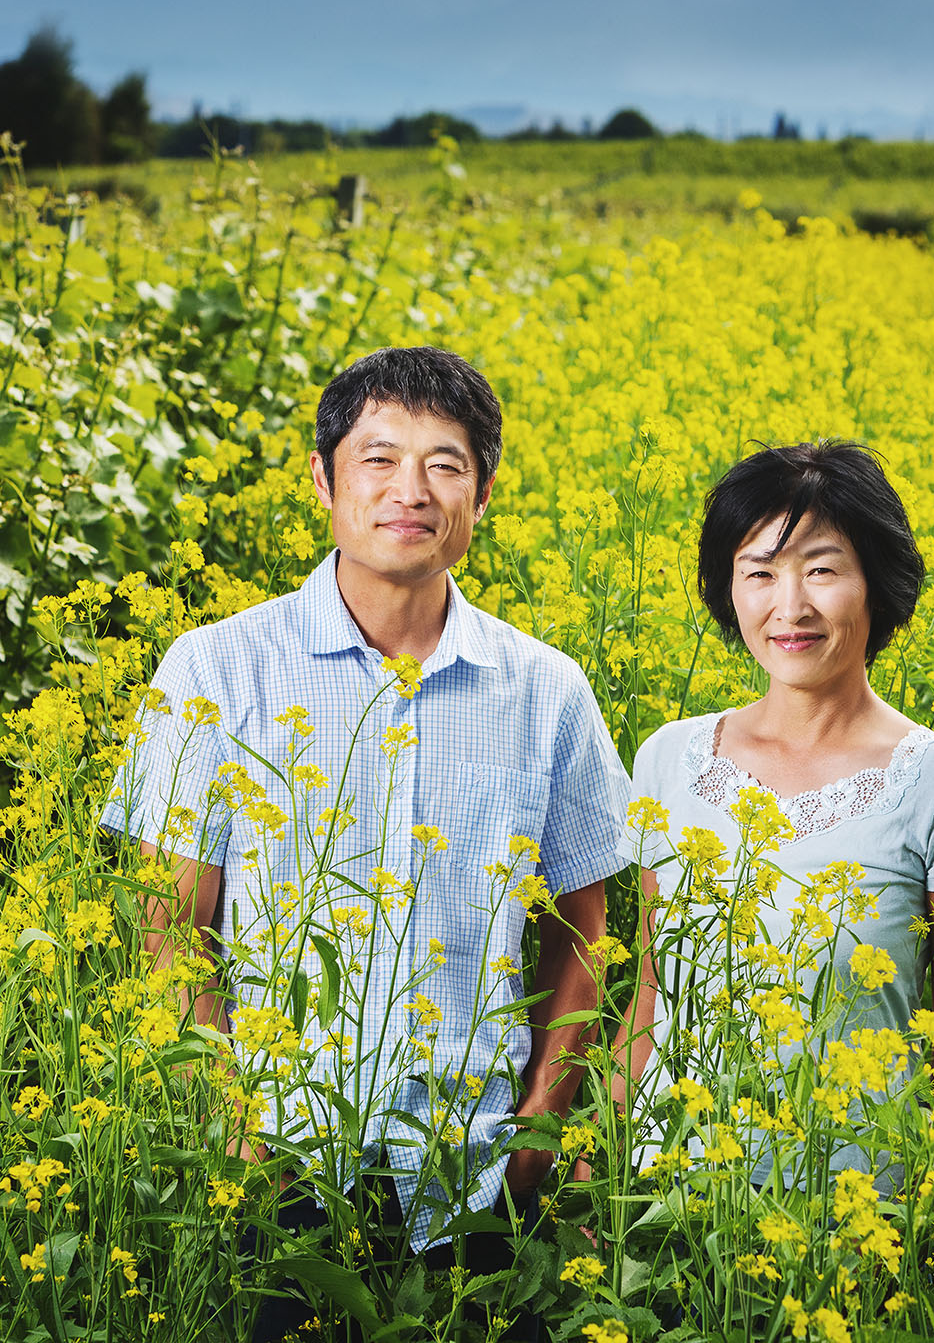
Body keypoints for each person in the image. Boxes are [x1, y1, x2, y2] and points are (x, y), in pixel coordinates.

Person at [103, 346, 631, 1338]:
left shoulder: (545, 688)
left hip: (474, 1173)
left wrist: (535, 1135)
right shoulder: (216, 667)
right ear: (322, 479)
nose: (411, 490)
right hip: (281, 1165)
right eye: (378, 459)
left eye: (444, 463)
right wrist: (235, 1129)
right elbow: (172, 923)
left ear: (482, 489)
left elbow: (585, 935)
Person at [614, 440, 934, 1181]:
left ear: (875, 585)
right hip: (671, 1210)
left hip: (855, 1213)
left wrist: (928, 1199)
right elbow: (651, 991)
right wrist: (609, 1179)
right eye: (758, 573)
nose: (789, 608)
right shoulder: (667, 758)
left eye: (821, 571)